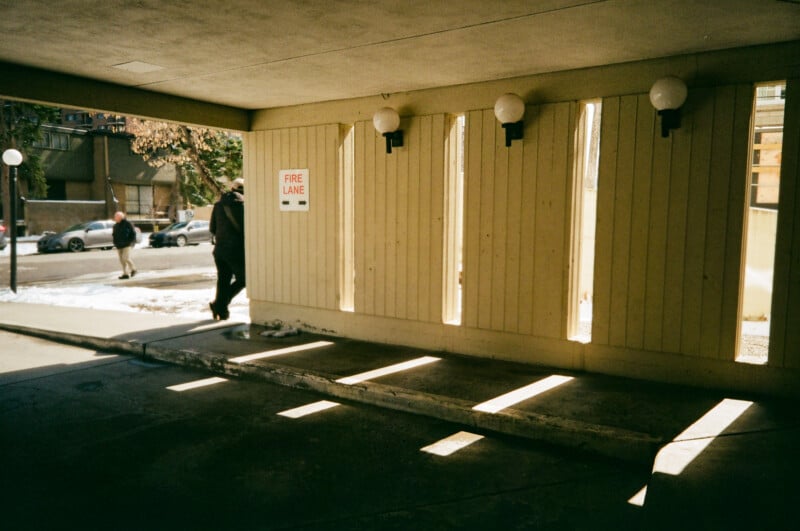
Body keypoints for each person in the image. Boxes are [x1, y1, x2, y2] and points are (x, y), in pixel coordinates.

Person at [209, 177, 245, 320]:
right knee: (244, 279)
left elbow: (212, 228)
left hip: (219, 250)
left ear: (232, 189)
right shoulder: (242, 205)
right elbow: (246, 228)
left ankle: (222, 310)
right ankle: (220, 304)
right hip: (235, 250)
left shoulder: (218, 205)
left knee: (223, 280)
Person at [112, 211, 137, 280]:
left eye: (116, 216)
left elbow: (133, 233)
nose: (114, 218)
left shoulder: (128, 223)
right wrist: (115, 243)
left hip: (127, 244)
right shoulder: (115, 226)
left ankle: (133, 269)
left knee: (125, 258)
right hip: (119, 245)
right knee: (122, 260)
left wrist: (131, 242)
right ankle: (125, 274)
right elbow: (114, 235)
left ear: (120, 217)